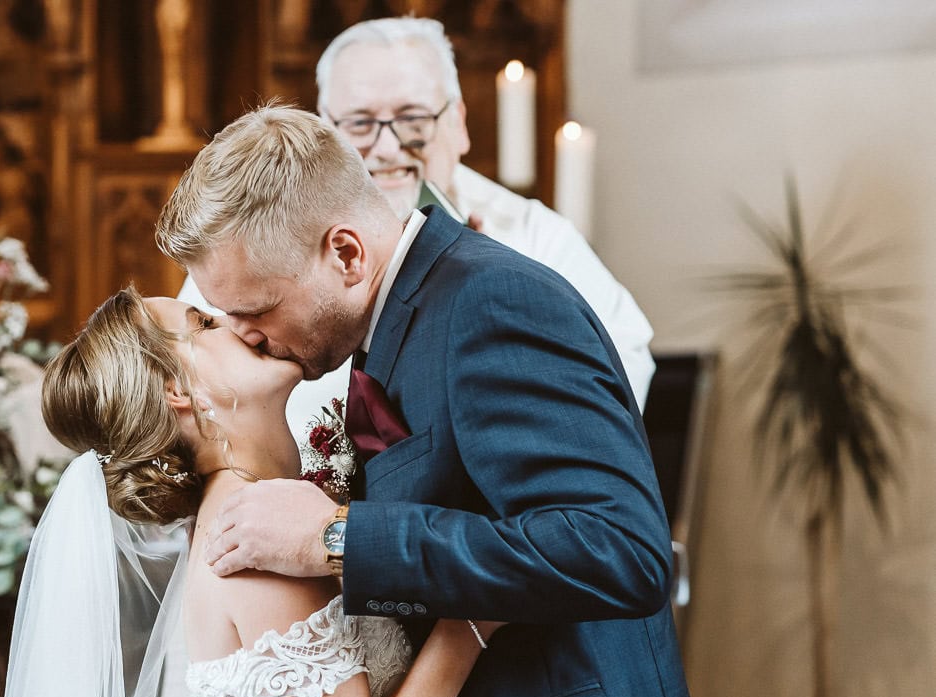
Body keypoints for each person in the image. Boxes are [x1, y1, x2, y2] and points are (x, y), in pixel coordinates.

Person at [156, 105, 718, 697]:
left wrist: (336, 538)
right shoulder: (393, 326)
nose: (248, 335)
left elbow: (619, 548)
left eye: (255, 309)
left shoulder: (491, 303)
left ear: (346, 254)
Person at [0, 286, 501, 697]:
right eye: (204, 323)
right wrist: (473, 615)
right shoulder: (256, 540)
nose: (236, 322)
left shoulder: (269, 509)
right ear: (176, 389)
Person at [180, 15, 655, 435]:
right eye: (361, 123)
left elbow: (619, 366)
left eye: (411, 118)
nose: (386, 149)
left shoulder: (535, 237)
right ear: (324, 130)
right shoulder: (254, 249)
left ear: (459, 124)